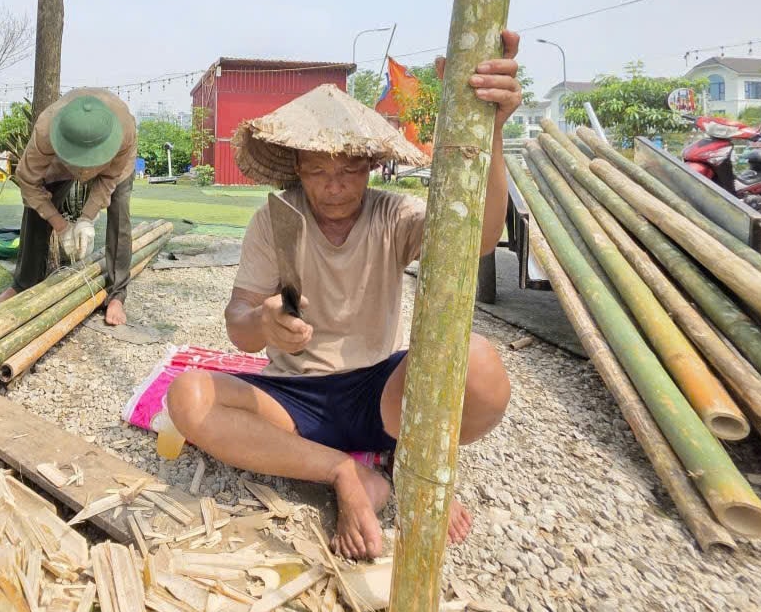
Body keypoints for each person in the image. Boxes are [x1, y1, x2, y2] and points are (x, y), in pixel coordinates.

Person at [166, 32, 523, 561]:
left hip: (382, 391)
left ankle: (412, 460)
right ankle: (345, 472)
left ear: (371, 166)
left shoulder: (392, 214)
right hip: (293, 396)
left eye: (349, 170)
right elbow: (239, 327)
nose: (334, 186)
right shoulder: (275, 219)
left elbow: (480, 237)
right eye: (318, 171)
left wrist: (491, 132)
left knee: (482, 365)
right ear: (297, 166)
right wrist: (264, 322)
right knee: (188, 396)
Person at [0, 88, 137, 326]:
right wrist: (60, 225)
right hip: (58, 163)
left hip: (114, 164)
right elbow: (29, 182)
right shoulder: (45, 130)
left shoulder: (124, 132)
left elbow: (110, 179)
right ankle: (23, 284)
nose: (85, 169)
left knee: (120, 212)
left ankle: (117, 295)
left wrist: (86, 219)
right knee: (35, 210)